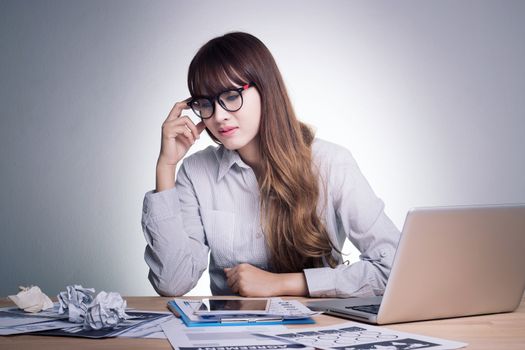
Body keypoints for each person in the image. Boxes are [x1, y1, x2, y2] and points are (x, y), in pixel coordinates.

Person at [141, 32, 400, 298]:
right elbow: (172, 282)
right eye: (205, 103)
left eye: (231, 96)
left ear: (266, 89)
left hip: (316, 330)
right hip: (230, 335)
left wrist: (285, 283)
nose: (218, 116)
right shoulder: (196, 173)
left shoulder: (330, 163)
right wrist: (166, 167)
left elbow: (393, 269)